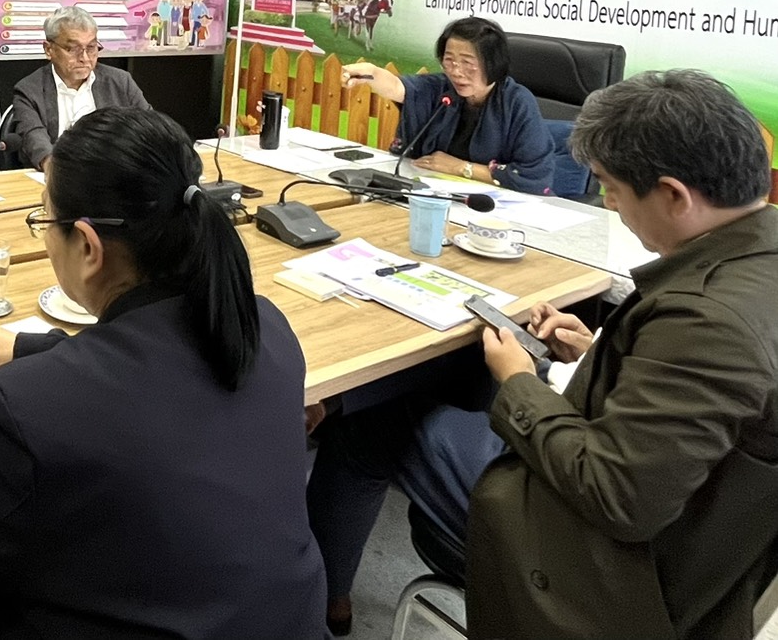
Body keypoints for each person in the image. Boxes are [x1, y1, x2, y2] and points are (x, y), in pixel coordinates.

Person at [307, 70, 778, 640]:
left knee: (372, 424)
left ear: (674, 195)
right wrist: (597, 352)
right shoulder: (754, 265)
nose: (609, 204)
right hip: (676, 529)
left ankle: (320, 606)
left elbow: (617, 496)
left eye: (611, 188)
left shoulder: (709, 323)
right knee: (451, 384)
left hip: (603, 569)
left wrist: (520, 383)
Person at [0, 107, 328, 638]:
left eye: (44, 220)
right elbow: (146, 380)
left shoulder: (32, 415)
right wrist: (33, 349)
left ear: (88, 247)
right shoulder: (263, 327)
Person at [342, 15, 554, 193]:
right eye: (449, 60)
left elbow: (533, 176)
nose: (456, 71)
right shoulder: (441, 88)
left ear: (493, 64)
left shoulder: (517, 102)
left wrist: (461, 167)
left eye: (467, 63)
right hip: (433, 193)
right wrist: (371, 73)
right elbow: (398, 87)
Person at [9, 5, 149, 170]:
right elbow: (34, 137)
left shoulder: (120, 82)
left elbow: (150, 129)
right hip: (59, 174)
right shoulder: (29, 90)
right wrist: (54, 169)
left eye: (91, 47)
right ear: (49, 50)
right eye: (73, 49)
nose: (84, 58)